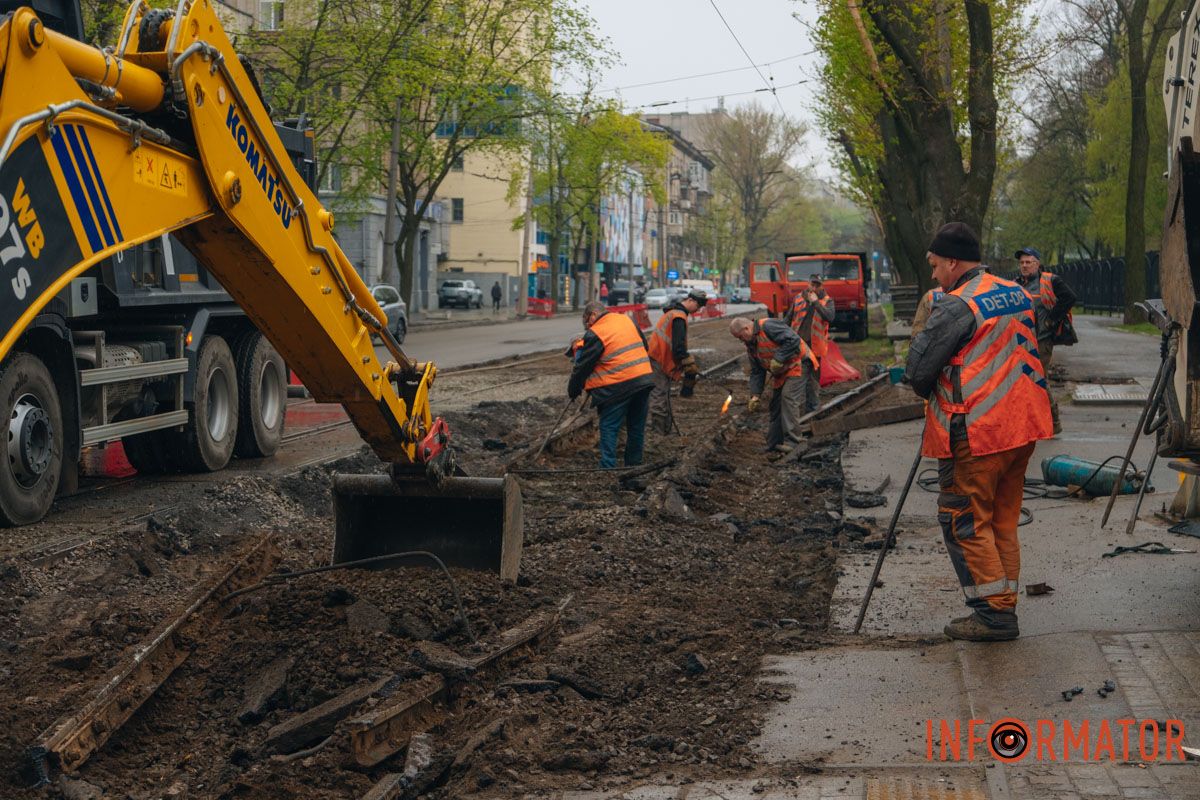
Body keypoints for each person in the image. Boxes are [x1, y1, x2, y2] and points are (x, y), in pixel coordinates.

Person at [906, 222, 1053, 642]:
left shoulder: (957, 305)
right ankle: (1003, 602)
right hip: (1020, 427)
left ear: (952, 262)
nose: (934, 275)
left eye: (935, 266)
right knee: (1002, 520)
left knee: (965, 521)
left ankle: (993, 617)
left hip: (977, 431)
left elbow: (918, 373)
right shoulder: (1016, 292)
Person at [568, 301, 654, 469]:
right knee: (636, 426)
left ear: (593, 315)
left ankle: (608, 468)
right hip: (644, 380)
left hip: (618, 386)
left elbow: (583, 366)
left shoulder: (597, 332)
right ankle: (633, 466)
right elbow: (644, 345)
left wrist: (573, 389)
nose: (588, 327)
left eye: (587, 322)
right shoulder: (626, 320)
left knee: (609, 426)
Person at [729, 316, 818, 453]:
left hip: (799, 363)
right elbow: (757, 371)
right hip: (782, 371)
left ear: (747, 329)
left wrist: (778, 358)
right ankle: (774, 443)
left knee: (788, 398)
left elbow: (792, 339)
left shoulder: (769, 326)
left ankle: (795, 441)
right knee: (775, 404)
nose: (741, 341)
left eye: (741, 337)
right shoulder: (751, 345)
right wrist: (755, 395)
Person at [1014, 247, 1077, 435]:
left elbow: (1070, 298)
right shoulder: (1016, 284)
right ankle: (1030, 421)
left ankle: (1054, 421)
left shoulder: (1050, 281)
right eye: (1022, 263)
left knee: (1038, 380)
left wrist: (1051, 320)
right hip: (1020, 340)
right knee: (1023, 381)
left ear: (1037, 264)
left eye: (1028, 262)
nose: (1024, 266)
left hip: (1041, 341)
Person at [647, 289, 706, 434]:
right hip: (658, 358)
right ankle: (659, 432)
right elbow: (678, 347)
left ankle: (663, 430)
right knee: (659, 395)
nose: (698, 310)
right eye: (698, 306)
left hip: (658, 356)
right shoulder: (678, 317)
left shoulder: (674, 313)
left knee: (662, 394)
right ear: (691, 300)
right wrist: (686, 362)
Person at [787, 274, 836, 412]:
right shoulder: (798, 298)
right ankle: (795, 410)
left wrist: (815, 303)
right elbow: (788, 319)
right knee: (797, 377)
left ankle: (812, 410)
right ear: (808, 284)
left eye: (817, 285)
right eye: (812, 284)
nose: (814, 288)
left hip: (815, 348)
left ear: (821, 286)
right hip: (797, 346)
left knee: (813, 381)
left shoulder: (827, 301)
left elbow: (830, 317)